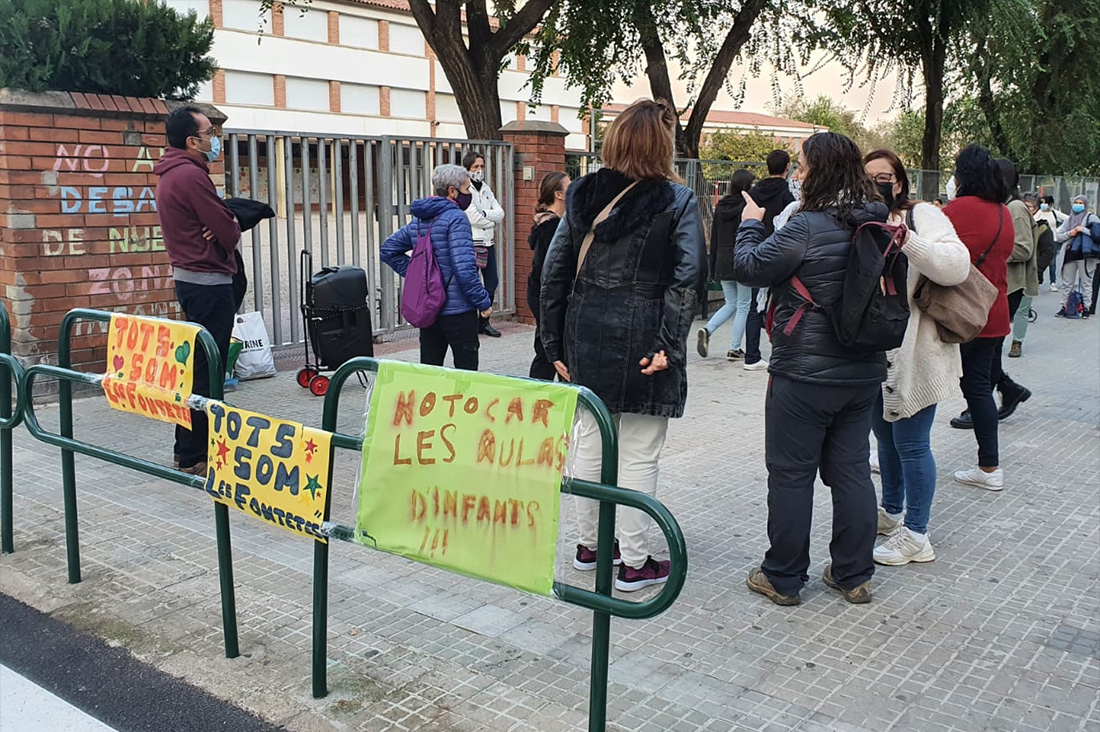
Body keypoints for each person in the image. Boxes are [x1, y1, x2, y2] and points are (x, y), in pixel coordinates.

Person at [540, 98, 706, 592]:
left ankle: (590, 545)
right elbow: (686, 279)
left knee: (590, 440)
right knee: (637, 450)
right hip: (645, 334)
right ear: (663, 144)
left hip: (583, 332)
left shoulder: (581, 193)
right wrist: (668, 345)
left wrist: (553, 344)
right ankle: (635, 562)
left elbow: (555, 271)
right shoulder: (678, 200)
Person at [734, 132, 889, 606]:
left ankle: (782, 576)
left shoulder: (805, 226)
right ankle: (854, 574)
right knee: (852, 471)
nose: (797, 174)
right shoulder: (879, 220)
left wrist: (750, 224)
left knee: (791, 474)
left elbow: (749, 266)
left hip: (803, 373)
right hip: (863, 369)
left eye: (801, 166)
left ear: (818, 170)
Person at [863, 150, 970, 566]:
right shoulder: (860, 218)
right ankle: (891, 512)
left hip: (917, 351)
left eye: (884, 177)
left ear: (901, 182)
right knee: (884, 438)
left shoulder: (921, 215)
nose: (876, 184)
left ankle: (917, 534)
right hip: (875, 352)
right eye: (867, 177)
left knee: (910, 442)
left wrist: (906, 240)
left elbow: (955, 264)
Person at [154, 106, 241, 476]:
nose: (213, 138)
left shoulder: (171, 174)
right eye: (208, 132)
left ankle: (188, 451)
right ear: (193, 141)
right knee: (207, 371)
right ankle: (196, 455)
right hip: (208, 284)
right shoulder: (190, 176)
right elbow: (229, 230)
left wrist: (220, 221)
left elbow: (217, 222)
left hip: (192, 280)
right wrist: (227, 221)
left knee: (198, 369)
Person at [941, 144, 1014, 491]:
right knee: (979, 389)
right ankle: (989, 467)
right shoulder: (1004, 212)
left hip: (954, 314)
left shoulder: (955, 210)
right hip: (993, 312)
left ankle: (895, 453)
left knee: (921, 384)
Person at [381, 164, 492, 369]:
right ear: (452, 191)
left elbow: (388, 250)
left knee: (430, 372)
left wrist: (421, 276)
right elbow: (465, 270)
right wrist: (483, 302)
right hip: (459, 311)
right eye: (467, 190)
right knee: (467, 375)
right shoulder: (457, 218)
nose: (469, 195)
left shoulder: (419, 220)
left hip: (429, 309)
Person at [741, 151, 796, 372]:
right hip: (782, 253)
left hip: (757, 250)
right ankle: (781, 355)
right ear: (788, 167)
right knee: (783, 304)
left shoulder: (754, 192)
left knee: (755, 306)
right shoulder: (788, 193)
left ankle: (751, 355)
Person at [697, 169, 755, 361]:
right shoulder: (746, 207)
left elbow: (714, 239)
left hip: (722, 258)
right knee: (744, 305)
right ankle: (735, 348)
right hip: (741, 259)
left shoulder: (721, 206)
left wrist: (713, 266)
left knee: (731, 303)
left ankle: (708, 329)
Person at [527, 172, 570, 380]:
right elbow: (548, 269)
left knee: (546, 347)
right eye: (569, 186)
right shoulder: (552, 227)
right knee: (548, 351)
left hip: (544, 294)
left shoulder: (553, 223)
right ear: (559, 194)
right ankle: (537, 398)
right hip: (547, 295)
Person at [461, 151, 506, 338]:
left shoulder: (486, 188)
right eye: (475, 167)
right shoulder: (464, 189)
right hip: (473, 242)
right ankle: (470, 321)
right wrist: (490, 218)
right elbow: (471, 216)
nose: (479, 170)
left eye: (481, 166)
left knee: (492, 281)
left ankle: (484, 321)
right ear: (467, 169)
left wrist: (486, 216)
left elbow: (500, 212)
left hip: (488, 241)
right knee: (472, 283)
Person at [1010, 194, 1054, 357]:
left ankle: (1017, 343)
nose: (1025, 210)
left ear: (1035, 209)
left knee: (1022, 311)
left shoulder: (1042, 228)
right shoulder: (1013, 223)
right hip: (1010, 274)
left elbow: (1048, 253)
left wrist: (1037, 271)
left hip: (1028, 275)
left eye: (1028, 207)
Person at [1055, 195, 1099, 318]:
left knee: (1086, 282)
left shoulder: (1092, 218)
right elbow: (1058, 236)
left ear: (1085, 205)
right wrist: (1070, 233)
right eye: (1076, 202)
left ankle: (1086, 308)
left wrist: (1083, 229)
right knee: (1067, 283)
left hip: (1086, 255)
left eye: (1081, 203)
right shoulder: (1068, 219)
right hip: (1070, 254)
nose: (1078, 205)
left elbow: (1097, 234)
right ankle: (1064, 306)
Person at [1037, 195, 1067, 291]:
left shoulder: (1054, 213)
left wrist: (1058, 230)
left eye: (1045, 202)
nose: (1043, 205)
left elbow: (1068, 219)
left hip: (1053, 240)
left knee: (1052, 262)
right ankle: (1038, 280)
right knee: (1039, 260)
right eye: (1042, 203)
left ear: (1050, 204)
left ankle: (1052, 282)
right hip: (1040, 240)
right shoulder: (1039, 213)